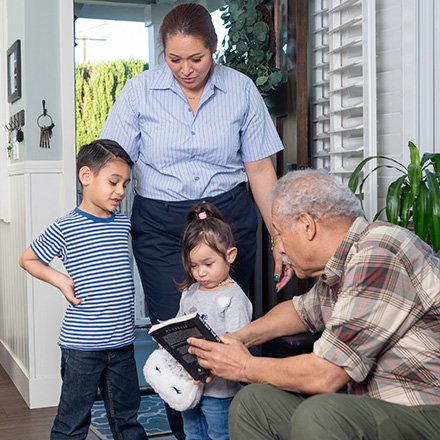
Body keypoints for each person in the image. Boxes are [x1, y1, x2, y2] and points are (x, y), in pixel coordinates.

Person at [99, 3, 291, 437]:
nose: (185, 69)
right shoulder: (138, 92)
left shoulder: (240, 90)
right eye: (174, 59)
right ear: (162, 52)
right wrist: (93, 226)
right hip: (162, 226)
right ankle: (188, 431)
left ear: (214, 48)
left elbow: (260, 169)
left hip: (229, 220)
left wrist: (282, 235)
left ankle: (235, 427)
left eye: (196, 58)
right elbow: (113, 163)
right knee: (176, 337)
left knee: (231, 331)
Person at [188, 169, 440, 440]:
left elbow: (325, 376)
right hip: (371, 406)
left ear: (307, 225)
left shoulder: (379, 252)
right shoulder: (343, 265)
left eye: (281, 234)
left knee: (321, 413)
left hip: (423, 409)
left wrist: (243, 366)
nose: (280, 248)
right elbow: (300, 311)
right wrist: (237, 339)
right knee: (253, 404)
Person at [19, 140, 148, 440]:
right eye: (113, 182)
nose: (121, 191)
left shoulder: (122, 225)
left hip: (122, 343)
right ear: (86, 176)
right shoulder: (66, 227)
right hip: (82, 347)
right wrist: (61, 281)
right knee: (73, 421)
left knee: (127, 418)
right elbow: (28, 258)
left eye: (126, 184)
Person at [175, 202, 252, 440]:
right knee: (192, 433)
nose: (201, 273)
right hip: (190, 385)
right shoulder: (190, 292)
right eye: (194, 265)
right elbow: (178, 324)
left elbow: (237, 342)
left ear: (230, 255)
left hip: (220, 390)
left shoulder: (233, 297)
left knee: (220, 435)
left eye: (208, 264)